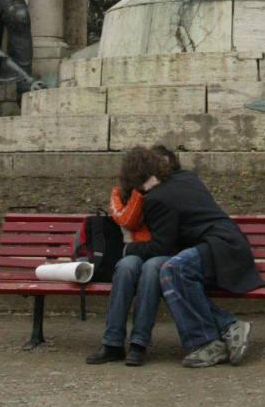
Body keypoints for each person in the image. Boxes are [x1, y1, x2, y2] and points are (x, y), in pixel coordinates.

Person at [116, 147, 263, 367]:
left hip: (217, 248)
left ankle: (208, 341)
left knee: (172, 269)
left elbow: (160, 247)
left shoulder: (156, 199)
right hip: (231, 246)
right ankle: (225, 329)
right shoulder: (187, 178)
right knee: (174, 277)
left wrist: (128, 249)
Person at [88, 145, 180, 366]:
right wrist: (140, 192)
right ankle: (112, 342)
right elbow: (128, 221)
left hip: (163, 252)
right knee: (126, 266)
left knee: (151, 270)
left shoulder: (166, 189)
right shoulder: (120, 193)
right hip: (138, 250)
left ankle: (139, 343)